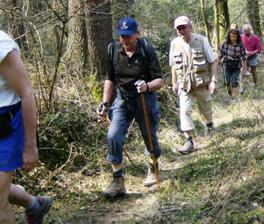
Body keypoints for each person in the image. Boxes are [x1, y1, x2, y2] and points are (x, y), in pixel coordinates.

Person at [97, 17, 164, 196]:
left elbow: (160, 80)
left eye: (128, 36)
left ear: (137, 34)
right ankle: (118, 181)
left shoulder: (146, 49)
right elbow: (110, 79)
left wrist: (147, 86)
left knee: (149, 134)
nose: (124, 40)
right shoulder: (113, 50)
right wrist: (105, 102)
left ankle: (153, 167)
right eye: (121, 36)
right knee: (113, 135)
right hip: (123, 98)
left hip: (144, 97)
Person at [0, 30, 52, 224]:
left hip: (6, 127)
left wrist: (30, 146)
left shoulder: (1, 46)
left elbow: (27, 94)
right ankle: (35, 204)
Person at [169, 16, 217, 154]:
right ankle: (189, 141)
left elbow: (212, 61)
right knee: (185, 111)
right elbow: (173, 65)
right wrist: (174, 83)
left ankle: (209, 125)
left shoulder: (201, 40)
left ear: (190, 27)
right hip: (184, 85)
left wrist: (213, 80)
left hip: (202, 83)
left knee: (206, 109)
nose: (181, 30)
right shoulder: (174, 44)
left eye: (184, 27)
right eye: (178, 28)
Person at [218, 28, 246, 103]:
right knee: (226, 82)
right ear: (229, 36)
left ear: (237, 36)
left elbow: (244, 57)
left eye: (234, 36)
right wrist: (217, 63)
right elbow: (220, 54)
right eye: (231, 36)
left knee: (234, 81)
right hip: (226, 65)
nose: (233, 38)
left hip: (236, 65)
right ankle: (230, 95)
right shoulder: (225, 43)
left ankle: (234, 98)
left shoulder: (240, 45)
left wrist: (244, 67)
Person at [240, 24, 262, 91]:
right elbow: (238, 46)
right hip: (244, 56)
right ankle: (243, 87)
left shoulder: (255, 38)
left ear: (250, 30)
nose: (246, 32)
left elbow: (259, 48)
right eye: (245, 31)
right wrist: (243, 52)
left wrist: (252, 52)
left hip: (253, 56)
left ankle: (255, 84)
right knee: (243, 71)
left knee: (253, 70)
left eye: (247, 31)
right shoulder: (241, 37)